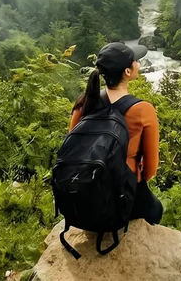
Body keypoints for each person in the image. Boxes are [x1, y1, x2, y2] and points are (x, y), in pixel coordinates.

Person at [69, 42, 163, 225]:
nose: (138, 63)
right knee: (156, 210)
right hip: (122, 200)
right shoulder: (142, 110)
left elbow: (73, 148)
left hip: (84, 198)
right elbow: (150, 169)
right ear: (128, 72)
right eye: (135, 61)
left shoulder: (83, 103)